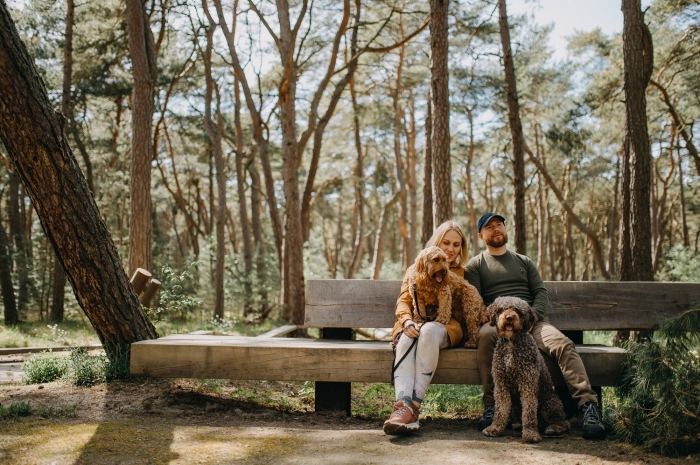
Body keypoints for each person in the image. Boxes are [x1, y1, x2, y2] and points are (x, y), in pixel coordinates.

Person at [464, 212, 607, 440]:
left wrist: (531, 319)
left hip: (533, 322)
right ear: (481, 235)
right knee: (486, 335)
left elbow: (540, 292)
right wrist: (498, 318)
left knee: (563, 344)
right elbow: (475, 301)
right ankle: (492, 406)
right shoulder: (476, 265)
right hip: (498, 323)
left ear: (505, 229)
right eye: (489, 227)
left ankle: (588, 407)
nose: (496, 229)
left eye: (499, 224)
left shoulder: (524, 261)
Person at [383, 220, 470, 435]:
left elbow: (470, 303)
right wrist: (406, 321)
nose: (450, 249)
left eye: (456, 245)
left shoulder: (462, 272)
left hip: (445, 326)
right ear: (437, 241)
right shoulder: (415, 269)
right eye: (446, 242)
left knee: (429, 331)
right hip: (414, 321)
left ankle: (413, 407)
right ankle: (402, 407)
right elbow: (403, 300)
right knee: (406, 337)